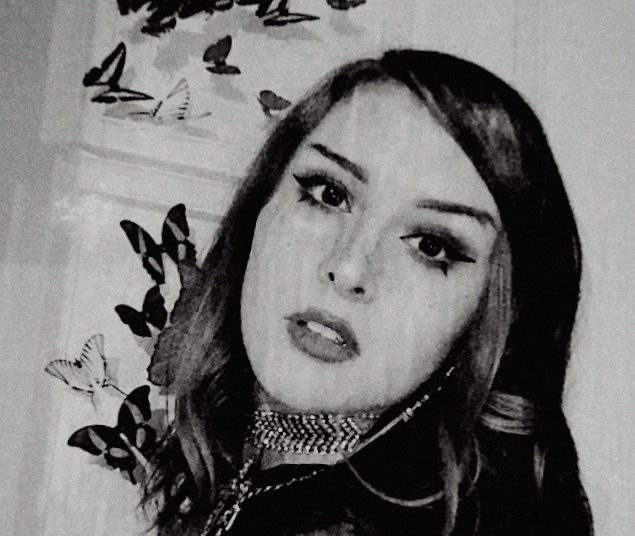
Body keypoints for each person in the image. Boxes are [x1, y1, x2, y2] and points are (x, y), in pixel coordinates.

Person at [143, 49, 594, 535]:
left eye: (431, 245)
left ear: (493, 317)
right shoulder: (236, 462)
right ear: (261, 203)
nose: (349, 267)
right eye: (329, 194)